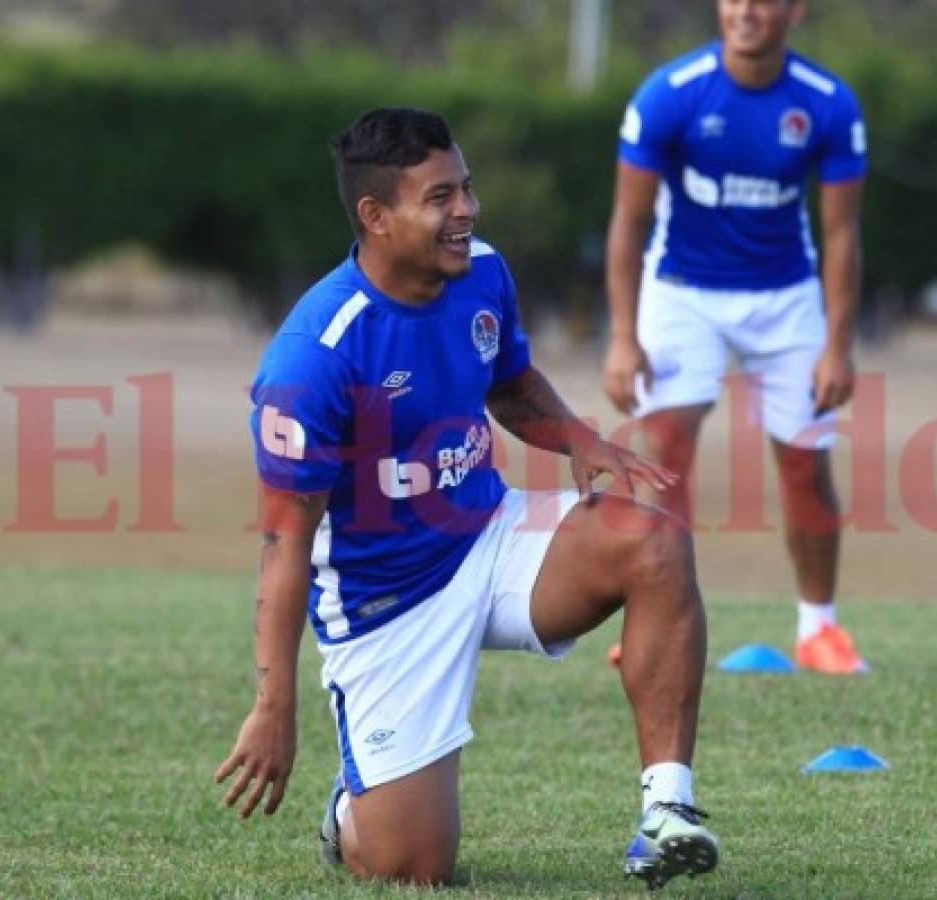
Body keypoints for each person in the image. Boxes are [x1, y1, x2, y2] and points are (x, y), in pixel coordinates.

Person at [213, 107, 719, 890]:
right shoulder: (311, 360)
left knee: (650, 539)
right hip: (387, 605)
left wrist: (578, 440)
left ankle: (667, 812)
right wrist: (272, 703)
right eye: (441, 197)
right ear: (375, 217)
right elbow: (284, 547)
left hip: (488, 533)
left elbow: (509, 382)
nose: (468, 212)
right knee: (412, 870)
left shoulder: (480, 270)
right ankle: (351, 810)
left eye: (467, 188)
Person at [603, 0, 869, 674]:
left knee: (804, 461)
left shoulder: (827, 103)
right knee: (663, 449)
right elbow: (628, 224)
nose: (746, 11)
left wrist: (837, 343)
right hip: (681, 291)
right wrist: (623, 337)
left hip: (786, 298)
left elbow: (840, 234)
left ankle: (819, 631)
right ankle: (657, 622)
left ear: (794, 10)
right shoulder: (668, 95)